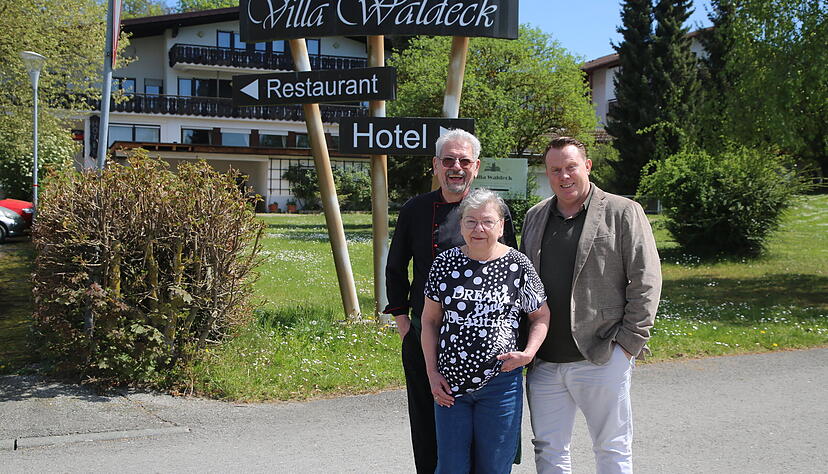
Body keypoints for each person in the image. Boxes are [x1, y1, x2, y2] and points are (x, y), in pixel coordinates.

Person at [520, 137, 662, 473]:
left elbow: (646, 279)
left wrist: (628, 345)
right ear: (547, 173)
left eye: (571, 167)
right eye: (556, 170)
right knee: (549, 452)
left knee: (611, 449)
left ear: (587, 166)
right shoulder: (535, 216)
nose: (564, 176)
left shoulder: (623, 211)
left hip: (601, 354)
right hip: (544, 362)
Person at [384, 129, 518, 473]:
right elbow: (396, 269)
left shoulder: (496, 209)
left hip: (487, 343)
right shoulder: (415, 209)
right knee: (428, 424)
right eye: (448, 160)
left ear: (476, 166)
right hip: (427, 337)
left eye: (464, 161)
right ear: (435, 165)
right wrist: (404, 326)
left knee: (489, 433)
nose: (455, 167)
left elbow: (514, 270)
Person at [421, 188, 550, 473]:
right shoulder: (444, 263)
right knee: (451, 466)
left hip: (500, 384)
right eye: (471, 221)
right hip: (450, 385)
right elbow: (429, 321)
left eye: (487, 221)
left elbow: (540, 315)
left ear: (501, 226)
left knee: (494, 466)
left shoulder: (518, 265)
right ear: (461, 224)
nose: (479, 228)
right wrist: (432, 373)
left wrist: (528, 353)